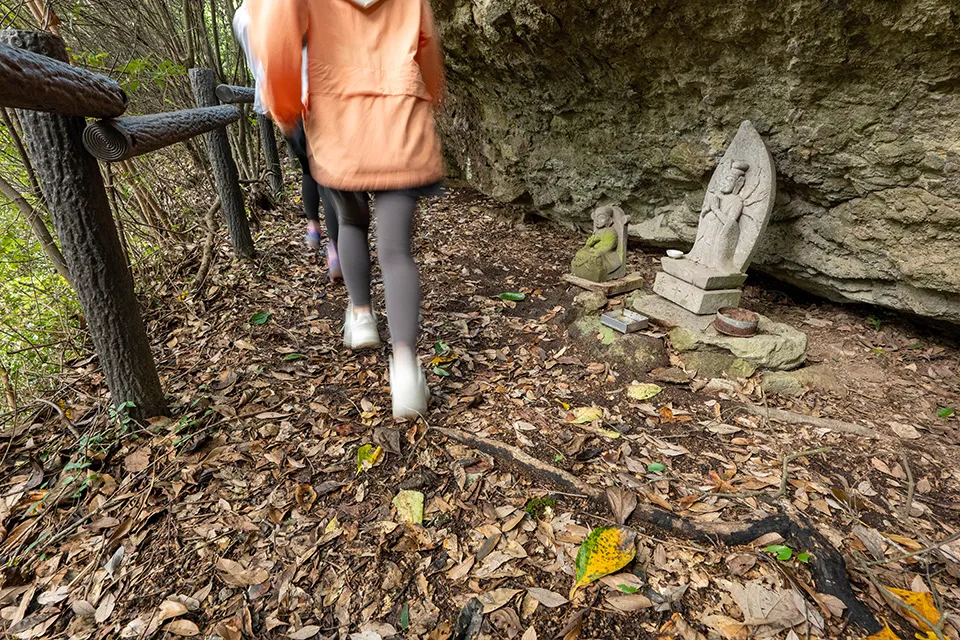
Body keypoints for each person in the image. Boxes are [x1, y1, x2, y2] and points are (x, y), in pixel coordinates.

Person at [250, 0, 445, 419]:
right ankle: (407, 374)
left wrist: (285, 109)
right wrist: (429, 93)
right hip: (402, 116)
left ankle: (361, 317)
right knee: (396, 250)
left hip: (337, 117)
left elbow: (277, 41)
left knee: (352, 222)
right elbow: (427, 44)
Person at [232, 1, 342, 280]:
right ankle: (336, 251)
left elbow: (256, 66)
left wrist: (269, 101)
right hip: (316, 94)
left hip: (282, 103)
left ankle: (313, 228)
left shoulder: (242, 15)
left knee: (308, 170)